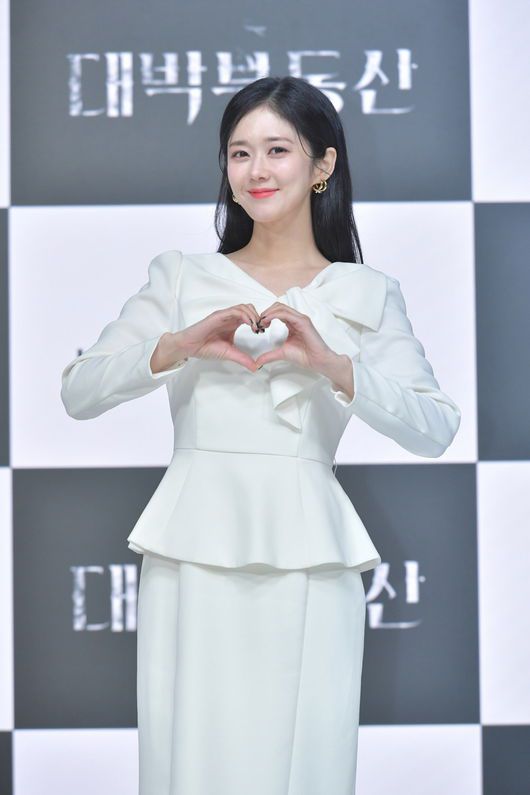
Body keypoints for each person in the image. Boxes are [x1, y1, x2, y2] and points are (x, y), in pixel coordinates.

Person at [60, 76, 461, 795]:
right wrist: (178, 345)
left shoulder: (365, 291)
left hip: (311, 557)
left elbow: (436, 427)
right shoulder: (181, 277)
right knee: (191, 757)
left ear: (323, 164)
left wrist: (334, 365)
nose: (256, 170)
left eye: (278, 149)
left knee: (305, 760)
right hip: (192, 548)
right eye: (240, 152)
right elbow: (79, 391)